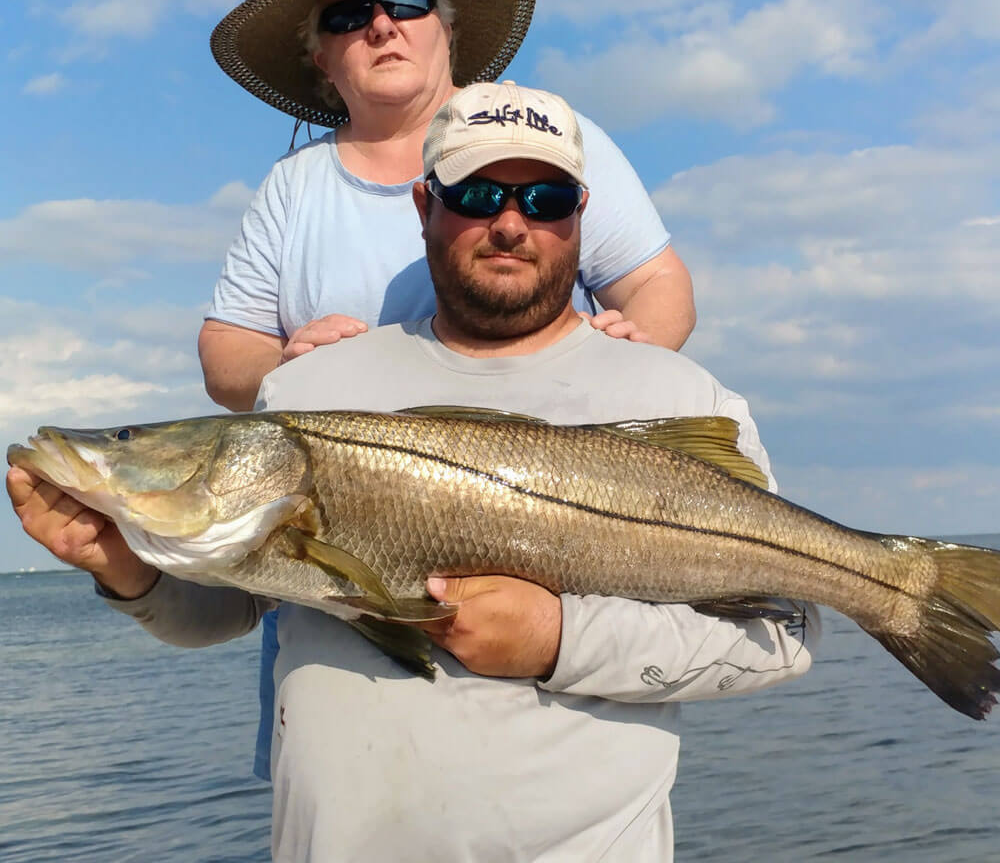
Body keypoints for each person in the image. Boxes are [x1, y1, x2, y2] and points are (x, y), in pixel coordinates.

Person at [8, 81, 817, 863]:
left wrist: (559, 640)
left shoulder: (679, 394)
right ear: (426, 206)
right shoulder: (308, 385)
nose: (510, 223)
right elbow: (225, 610)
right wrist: (122, 569)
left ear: (581, 216)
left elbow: (783, 636)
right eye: (476, 195)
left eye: (544, 200)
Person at [199, 0, 696, 414]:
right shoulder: (291, 183)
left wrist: (623, 362)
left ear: (447, 29)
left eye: (408, 4)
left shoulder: (545, 137)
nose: (382, 26)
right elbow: (227, 347)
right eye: (347, 16)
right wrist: (284, 367)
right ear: (322, 59)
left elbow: (657, 284)